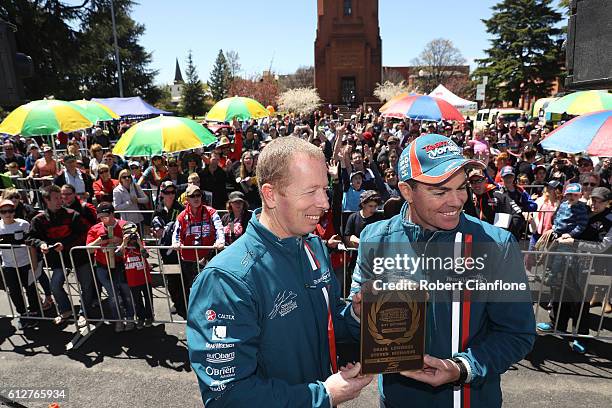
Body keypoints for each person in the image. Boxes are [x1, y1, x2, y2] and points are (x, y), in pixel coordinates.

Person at [350, 134, 535, 408]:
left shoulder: (496, 245)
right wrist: (358, 311)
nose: (457, 201)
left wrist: (461, 368)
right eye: (440, 191)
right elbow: (358, 323)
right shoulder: (376, 238)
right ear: (406, 191)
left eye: (461, 187)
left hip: (473, 400)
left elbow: (517, 334)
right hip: (398, 400)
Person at [187, 136, 372, 407]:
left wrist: (355, 314)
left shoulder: (313, 247)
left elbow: (327, 326)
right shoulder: (225, 280)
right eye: (311, 191)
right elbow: (228, 397)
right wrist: (323, 395)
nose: (324, 203)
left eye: (324, 189)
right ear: (270, 194)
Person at [27, 185, 93, 326]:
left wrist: (65, 244)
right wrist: (41, 244)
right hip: (59, 260)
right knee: (55, 285)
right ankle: (65, 310)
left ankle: (84, 313)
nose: (60, 201)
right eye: (56, 198)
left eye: (60, 197)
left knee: (86, 285)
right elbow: (31, 237)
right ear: (46, 200)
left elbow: (84, 233)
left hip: (79, 256)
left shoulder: (72, 214)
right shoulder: (38, 219)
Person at [171, 184, 224, 318]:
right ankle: (197, 315)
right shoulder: (182, 216)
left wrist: (220, 241)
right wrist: (176, 243)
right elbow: (176, 233)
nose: (196, 198)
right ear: (186, 199)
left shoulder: (211, 211)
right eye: (192, 196)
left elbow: (219, 228)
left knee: (210, 286)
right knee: (194, 287)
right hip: (189, 259)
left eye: (198, 195)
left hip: (207, 257)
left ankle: (211, 314)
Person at [558, 187, 612, 314]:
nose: (595, 204)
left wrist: (574, 243)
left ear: (608, 202)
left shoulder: (609, 219)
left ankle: (580, 328)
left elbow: (601, 247)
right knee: (564, 290)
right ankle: (561, 320)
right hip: (573, 257)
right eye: (593, 200)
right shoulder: (582, 210)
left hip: (594, 262)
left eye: (600, 201)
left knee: (581, 297)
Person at [86, 203, 135, 332]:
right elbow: (89, 250)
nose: (102, 219)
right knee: (113, 295)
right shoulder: (95, 229)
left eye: (105, 216)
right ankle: (118, 319)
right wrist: (99, 241)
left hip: (122, 265)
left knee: (126, 293)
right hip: (103, 266)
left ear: (112, 214)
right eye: (100, 217)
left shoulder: (125, 225)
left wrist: (120, 241)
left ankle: (130, 317)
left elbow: (136, 244)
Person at [0, 199, 41, 329]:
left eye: (10, 211)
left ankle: (34, 311)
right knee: (14, 291)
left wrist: (34, 263)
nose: (7, 214)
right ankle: (23, 313)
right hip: (9, 266)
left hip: (25, 263)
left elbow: (31, 245)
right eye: (3, 211)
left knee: (30, 289)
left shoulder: (23, 224)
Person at [466, 168, 526, 239]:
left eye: (479, 181)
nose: (476, 185)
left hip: (497, 240)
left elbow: (517, 214)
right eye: (472, 182)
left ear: (486, 180)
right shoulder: (468, 196)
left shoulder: (497, 195)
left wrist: (506, 236)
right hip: (478, 239)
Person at [118, 222, 154, 329]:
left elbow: (146, 255)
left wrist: (139, 243)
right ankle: (141, 318)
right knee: (137, 301)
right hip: (132, 280)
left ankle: (149, 317)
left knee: (148, 299)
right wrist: (124, 242)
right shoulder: (124, 246)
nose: (132, 237)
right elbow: (118, 254)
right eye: (129, 235)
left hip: (145, 278)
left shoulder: (141, 244)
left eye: (133, 234)